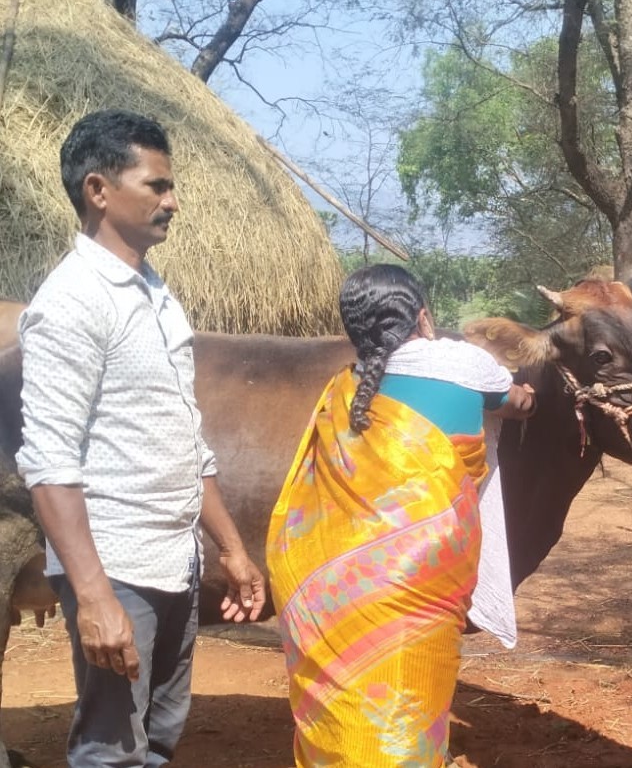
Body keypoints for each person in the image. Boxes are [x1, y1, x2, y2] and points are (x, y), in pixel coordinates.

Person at [16, 109, 266, 766]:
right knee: (111, 749)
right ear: (98, 190)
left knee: (157, 739)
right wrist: (94, 595)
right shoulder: (71, 303)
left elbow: (187, 439)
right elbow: (48, 462)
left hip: (176, 560)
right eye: (156, 185)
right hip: (117, 566)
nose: (172, 201)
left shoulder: (157, 296)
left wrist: (232, 551)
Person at [266, 263, 536, 768]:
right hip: (420, 576)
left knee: (337, 702)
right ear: (425, 318)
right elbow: (515, 402)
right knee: (410, 700)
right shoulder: (462, 363)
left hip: (327, 583)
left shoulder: (343, 389)